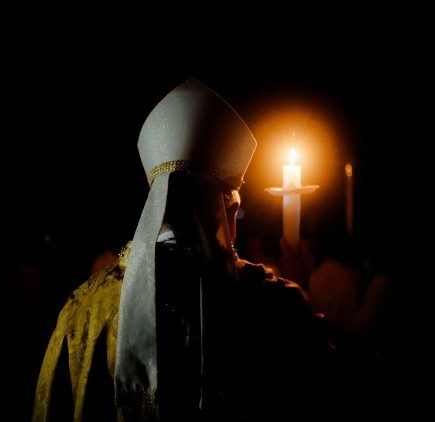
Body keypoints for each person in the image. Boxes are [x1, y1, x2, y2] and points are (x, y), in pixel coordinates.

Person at [32, 80, 337, 422]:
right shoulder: (274, 305)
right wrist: (300, 284)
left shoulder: (86, 309)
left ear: (154, 206)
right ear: (228, 217)